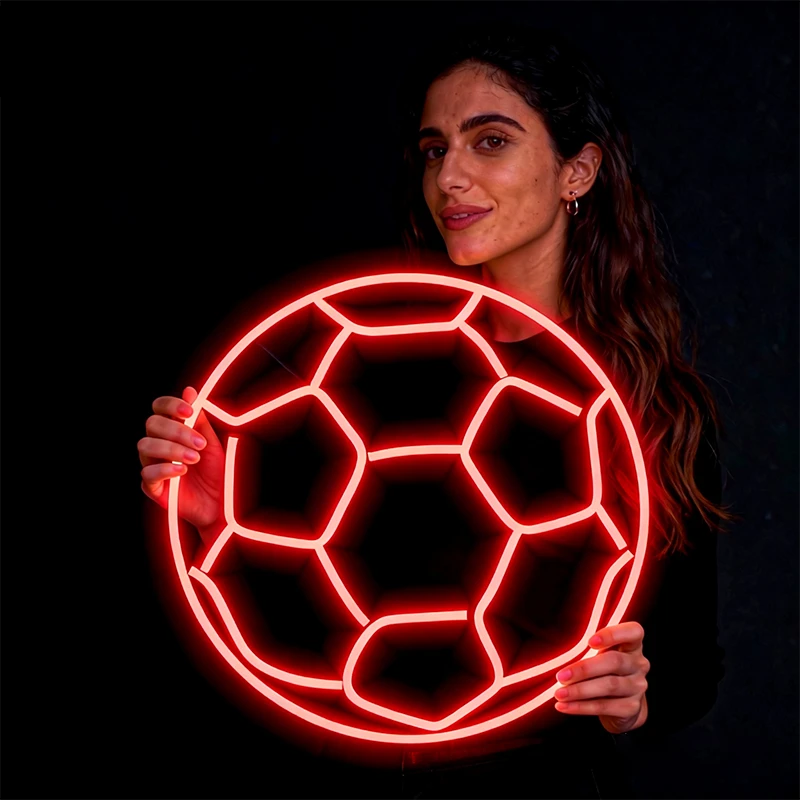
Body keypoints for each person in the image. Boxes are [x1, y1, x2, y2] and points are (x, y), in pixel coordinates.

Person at [138, 25, 735, 798]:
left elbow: (692, 673)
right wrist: (224, 518)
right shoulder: (371, 366)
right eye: (433, 149)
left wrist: (634, 696)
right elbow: (322, 614)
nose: (450, 175)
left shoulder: (653, 407)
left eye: (490, 141)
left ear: (576, 170)